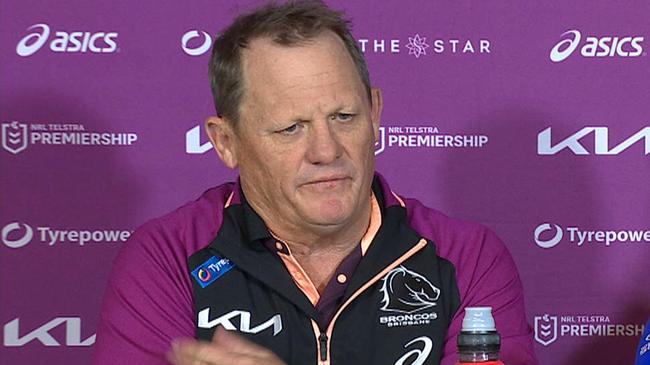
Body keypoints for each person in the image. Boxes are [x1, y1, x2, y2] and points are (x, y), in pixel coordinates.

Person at [93, 1, 539, 364]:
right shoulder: (168, 257)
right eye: (291, 128)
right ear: (226, 141)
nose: (326, 151)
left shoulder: (466, 258)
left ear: (376, 114)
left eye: (344, 117)